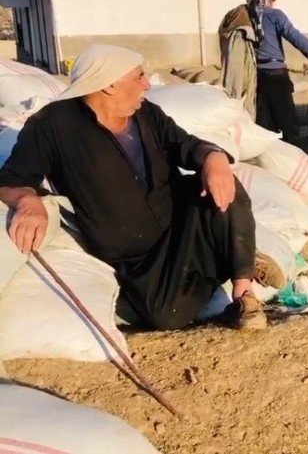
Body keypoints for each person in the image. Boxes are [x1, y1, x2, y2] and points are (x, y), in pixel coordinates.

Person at [0, 44, 286, 332]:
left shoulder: (147, 114)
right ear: (110, 84)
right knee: (168, 317)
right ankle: (235, 258)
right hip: (138, 258)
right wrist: (27, 201)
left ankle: (244, 292)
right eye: (139, 77)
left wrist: (214, 156)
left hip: (181, 222)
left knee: (224, 185)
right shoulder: (53, 125)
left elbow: (186, 145)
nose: (147, 84)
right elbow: (11, 179)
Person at [244, 0, 308, 147]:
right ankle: (294, 155)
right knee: (286, 119)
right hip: (276, 75)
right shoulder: (274, 15)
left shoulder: (245, 16)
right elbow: (294, 36)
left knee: (265, 121)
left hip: (254, 76)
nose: (273, 4)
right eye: (272, 0)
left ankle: (270, 156)